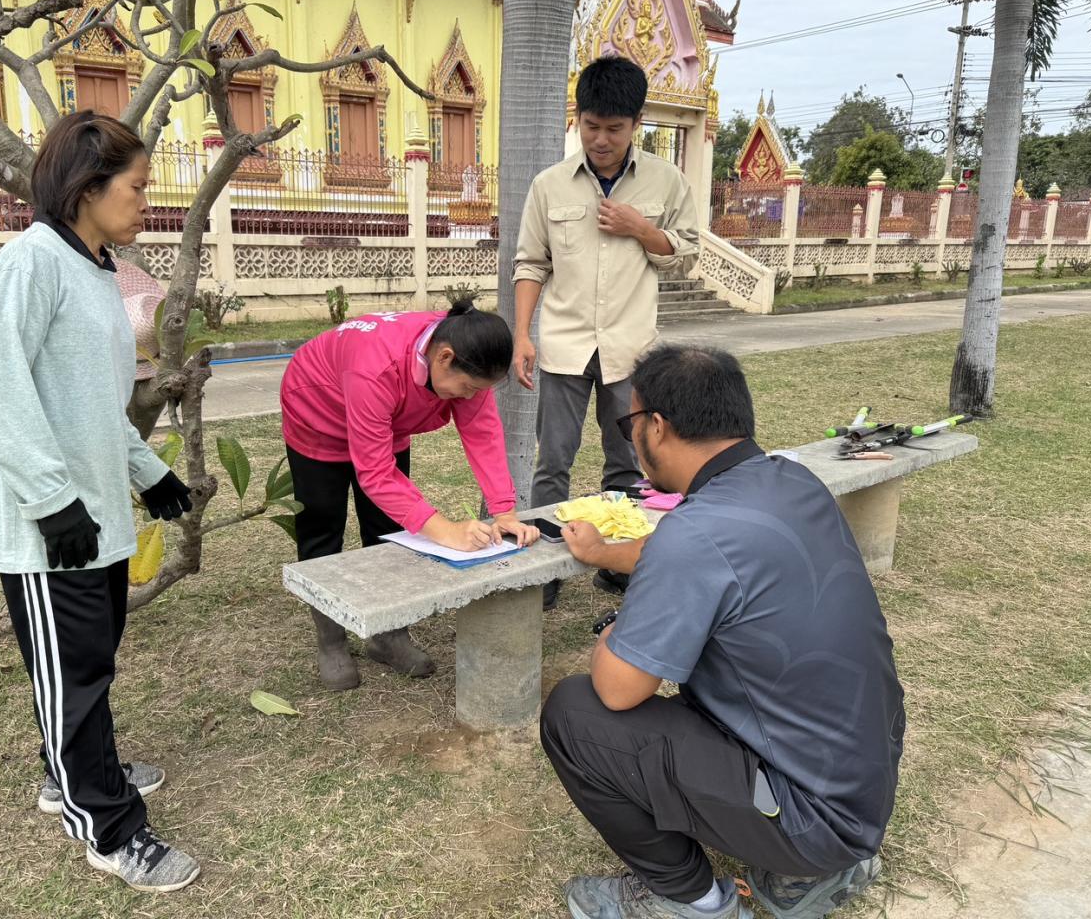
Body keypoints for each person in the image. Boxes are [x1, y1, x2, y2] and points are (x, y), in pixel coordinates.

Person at [541, 344, 905, 919]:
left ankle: (690, 900)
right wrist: (608, 553)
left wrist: (620, 627)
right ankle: (800, 880)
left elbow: (618, 689)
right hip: (860, 786)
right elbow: (694, 551)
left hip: (812, 819)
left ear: (655, 426)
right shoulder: (791, 482)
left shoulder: (695, 536)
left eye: (629, 422)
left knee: (574, 712)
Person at [0, 110, 200, 893]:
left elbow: (95, 409)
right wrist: (49, 500)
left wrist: (148, 474)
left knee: (88, 667)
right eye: (136, 187)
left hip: (97, 518)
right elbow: (1, 390)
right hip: (49, 530)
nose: (147, 201)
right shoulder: (28, 265)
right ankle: (108, 825)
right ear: (87, 186)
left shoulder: (97, 273)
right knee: (73, 676)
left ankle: (68, 769)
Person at [511, 55, 700, 608]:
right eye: (590, 126)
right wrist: (523, 334)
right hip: (565, 348)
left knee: (629, 463)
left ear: (636, 123)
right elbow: (530, 264)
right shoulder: (550, 187)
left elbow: (686, 256)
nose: (601, 139)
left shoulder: (667, 182)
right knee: (554, 463)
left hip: (630, 349)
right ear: (579, 118)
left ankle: (619, 567)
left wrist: (643, 230)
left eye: (614, 128)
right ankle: (545, 574)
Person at [281, 301, 540, 690]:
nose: (470, 396)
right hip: (319, 416)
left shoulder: (468, 358)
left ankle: (387, 635)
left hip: (386, 419)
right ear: (444, 357)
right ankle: (331, 639)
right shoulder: (376, 365)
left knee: (387, 526)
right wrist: (444, 530)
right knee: (322, 527)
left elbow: (483, 435)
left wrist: (504, 511)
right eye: (467, 387)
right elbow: (375, 472)